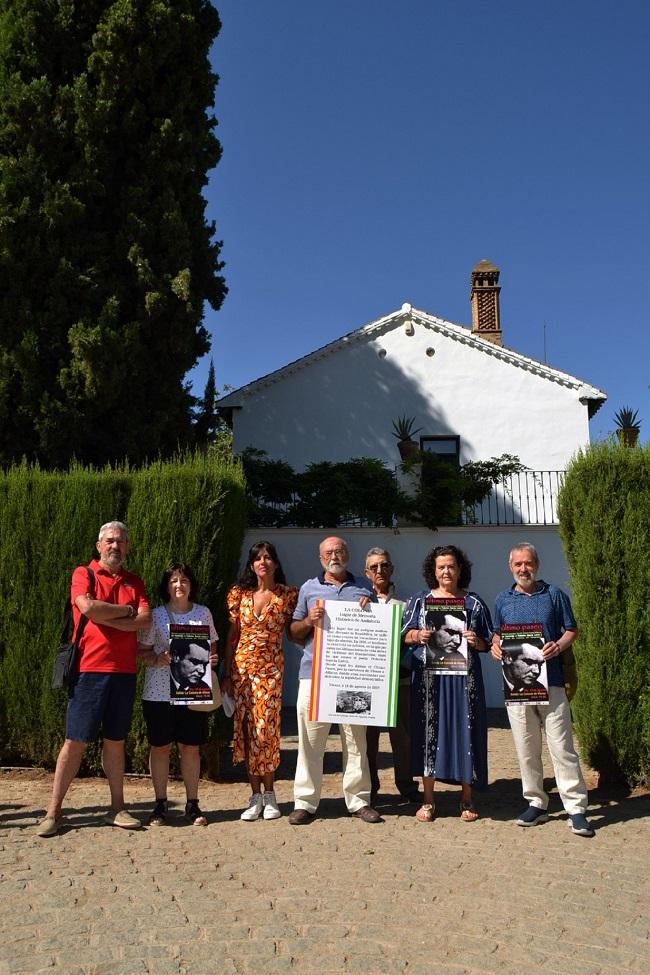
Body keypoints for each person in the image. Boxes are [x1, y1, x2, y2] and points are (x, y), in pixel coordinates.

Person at [37, 521, 151, 837]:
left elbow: (144, 620)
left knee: (116, 742)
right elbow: (87, 608)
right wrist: (125, 612)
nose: (115, 546)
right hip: (89, 671)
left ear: (127, 547)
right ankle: (53, 812)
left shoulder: (135, 582)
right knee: (75, 741)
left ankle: (117, 808)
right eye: (110, 540)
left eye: (121, 541)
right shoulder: (83, 574)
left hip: (124, 673)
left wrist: (109, 614)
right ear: (99, 545)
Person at [491, 543, 594, 837]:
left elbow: (571, 629)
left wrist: (557, 646)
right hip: (517, 689)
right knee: (526, 748)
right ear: (510, 567)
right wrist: (497, 646)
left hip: (553, 682)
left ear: (537, 564)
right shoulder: (503, 599)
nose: (524, 569)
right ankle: (536, 802)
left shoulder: (554, 595)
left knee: (562, 747)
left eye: (528, 563)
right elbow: (497, 633)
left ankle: (575, 808)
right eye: (518, 564)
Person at [287, 536, 381, 825]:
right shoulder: (308, 588)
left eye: (339, 551)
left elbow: (379, 631)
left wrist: (372, 609)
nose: (334, 556)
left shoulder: (365, 588)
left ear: (348, 555)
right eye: (329, 552)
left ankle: (358, 800)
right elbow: (293, 632)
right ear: (320, 558)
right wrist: (308, 622)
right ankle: (305, 802)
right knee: (310, 742)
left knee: (355, 741)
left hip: (352, 677)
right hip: (314, 676)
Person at [402, 544, 492, 823]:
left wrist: (476, 641)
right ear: (433, 570)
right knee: (429, 732)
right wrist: (419, 636)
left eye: (451, 566)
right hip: (429, 680)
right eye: (441, 567)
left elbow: (488, 641)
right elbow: (403, 635)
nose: (446, 571)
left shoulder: (474, 602)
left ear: (460, 569)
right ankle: (429, 801)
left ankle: (466, 799)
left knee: (465, 733)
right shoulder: (420, 601)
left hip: (465, 680)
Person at [138, 562, 218, 827]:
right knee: (159, 748)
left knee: (190, 748)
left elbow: (212, 648)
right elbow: (142, 652)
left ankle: (192, 804)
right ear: (167, 586)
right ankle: (160, 804)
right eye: (173, 580)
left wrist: (212, 659)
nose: (179, 585)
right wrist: (158, 658)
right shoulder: (156, 615)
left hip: (192, 694)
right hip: (159, 694)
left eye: (183, 580)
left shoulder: (204, 613)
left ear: (190, 584)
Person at [225, 541, 298, 821]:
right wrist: (229, 673)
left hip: (270, 671)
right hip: (242, 671)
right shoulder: (239, 595)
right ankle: (255, 796)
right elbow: (234, 635)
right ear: (252, 565)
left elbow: (295, 627)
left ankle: (270, 795)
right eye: (258, 558)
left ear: (275, 564)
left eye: (268, 557)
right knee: (247, 732)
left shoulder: (287, 595)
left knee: (265, 730)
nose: (263, 562)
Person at [363, 547, 419, 804]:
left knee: (403, 738)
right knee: (368, 740)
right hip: (368, 683)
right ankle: (370, 788)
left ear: (392, 569)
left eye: (384, 565)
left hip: (401, 680)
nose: (379, 571)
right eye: (374, 567)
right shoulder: (359, 602)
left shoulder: (408, 603)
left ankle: (406, 786)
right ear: (366, 573)